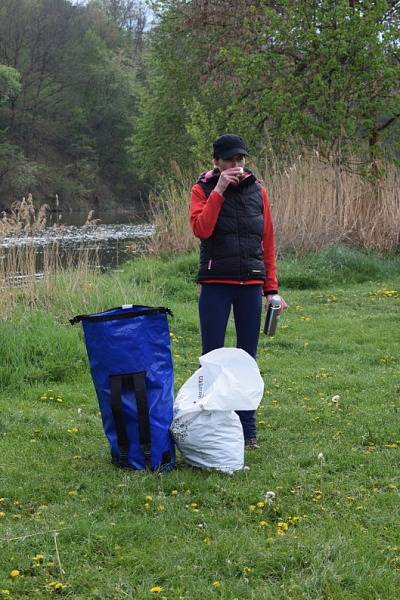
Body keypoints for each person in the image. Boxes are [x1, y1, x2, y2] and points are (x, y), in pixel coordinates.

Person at [190, 133, 287, 449]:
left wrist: (271, 289)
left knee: (248, 359)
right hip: (216, 284)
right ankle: (209, 427)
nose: (236, 166)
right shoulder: (202, 189)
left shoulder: (258, 191)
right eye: (229, 160)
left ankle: (248, 432)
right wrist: (218, 190)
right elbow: (201, 229)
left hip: (250, 285)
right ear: (216, 163)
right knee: (212, 357)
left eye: (240, 160)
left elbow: (267, 241)